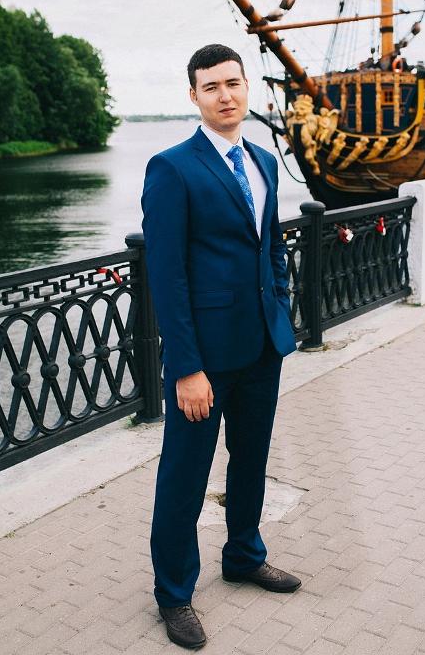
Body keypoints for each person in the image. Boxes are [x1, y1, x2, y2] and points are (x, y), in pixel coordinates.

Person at [141, 43, 301, 649]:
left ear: (246, 87)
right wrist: (186, 367)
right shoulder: (172, 168)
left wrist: (279, 306)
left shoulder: (263, 160)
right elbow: (167, 276)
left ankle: (244, 556)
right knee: (184, 478)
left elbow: (271, 246)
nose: (225, 95)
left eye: (233, 83)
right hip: (203, 362)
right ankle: (173, 593)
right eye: (211, 87)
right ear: (194, 96)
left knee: (251, 460)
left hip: (261, 347)